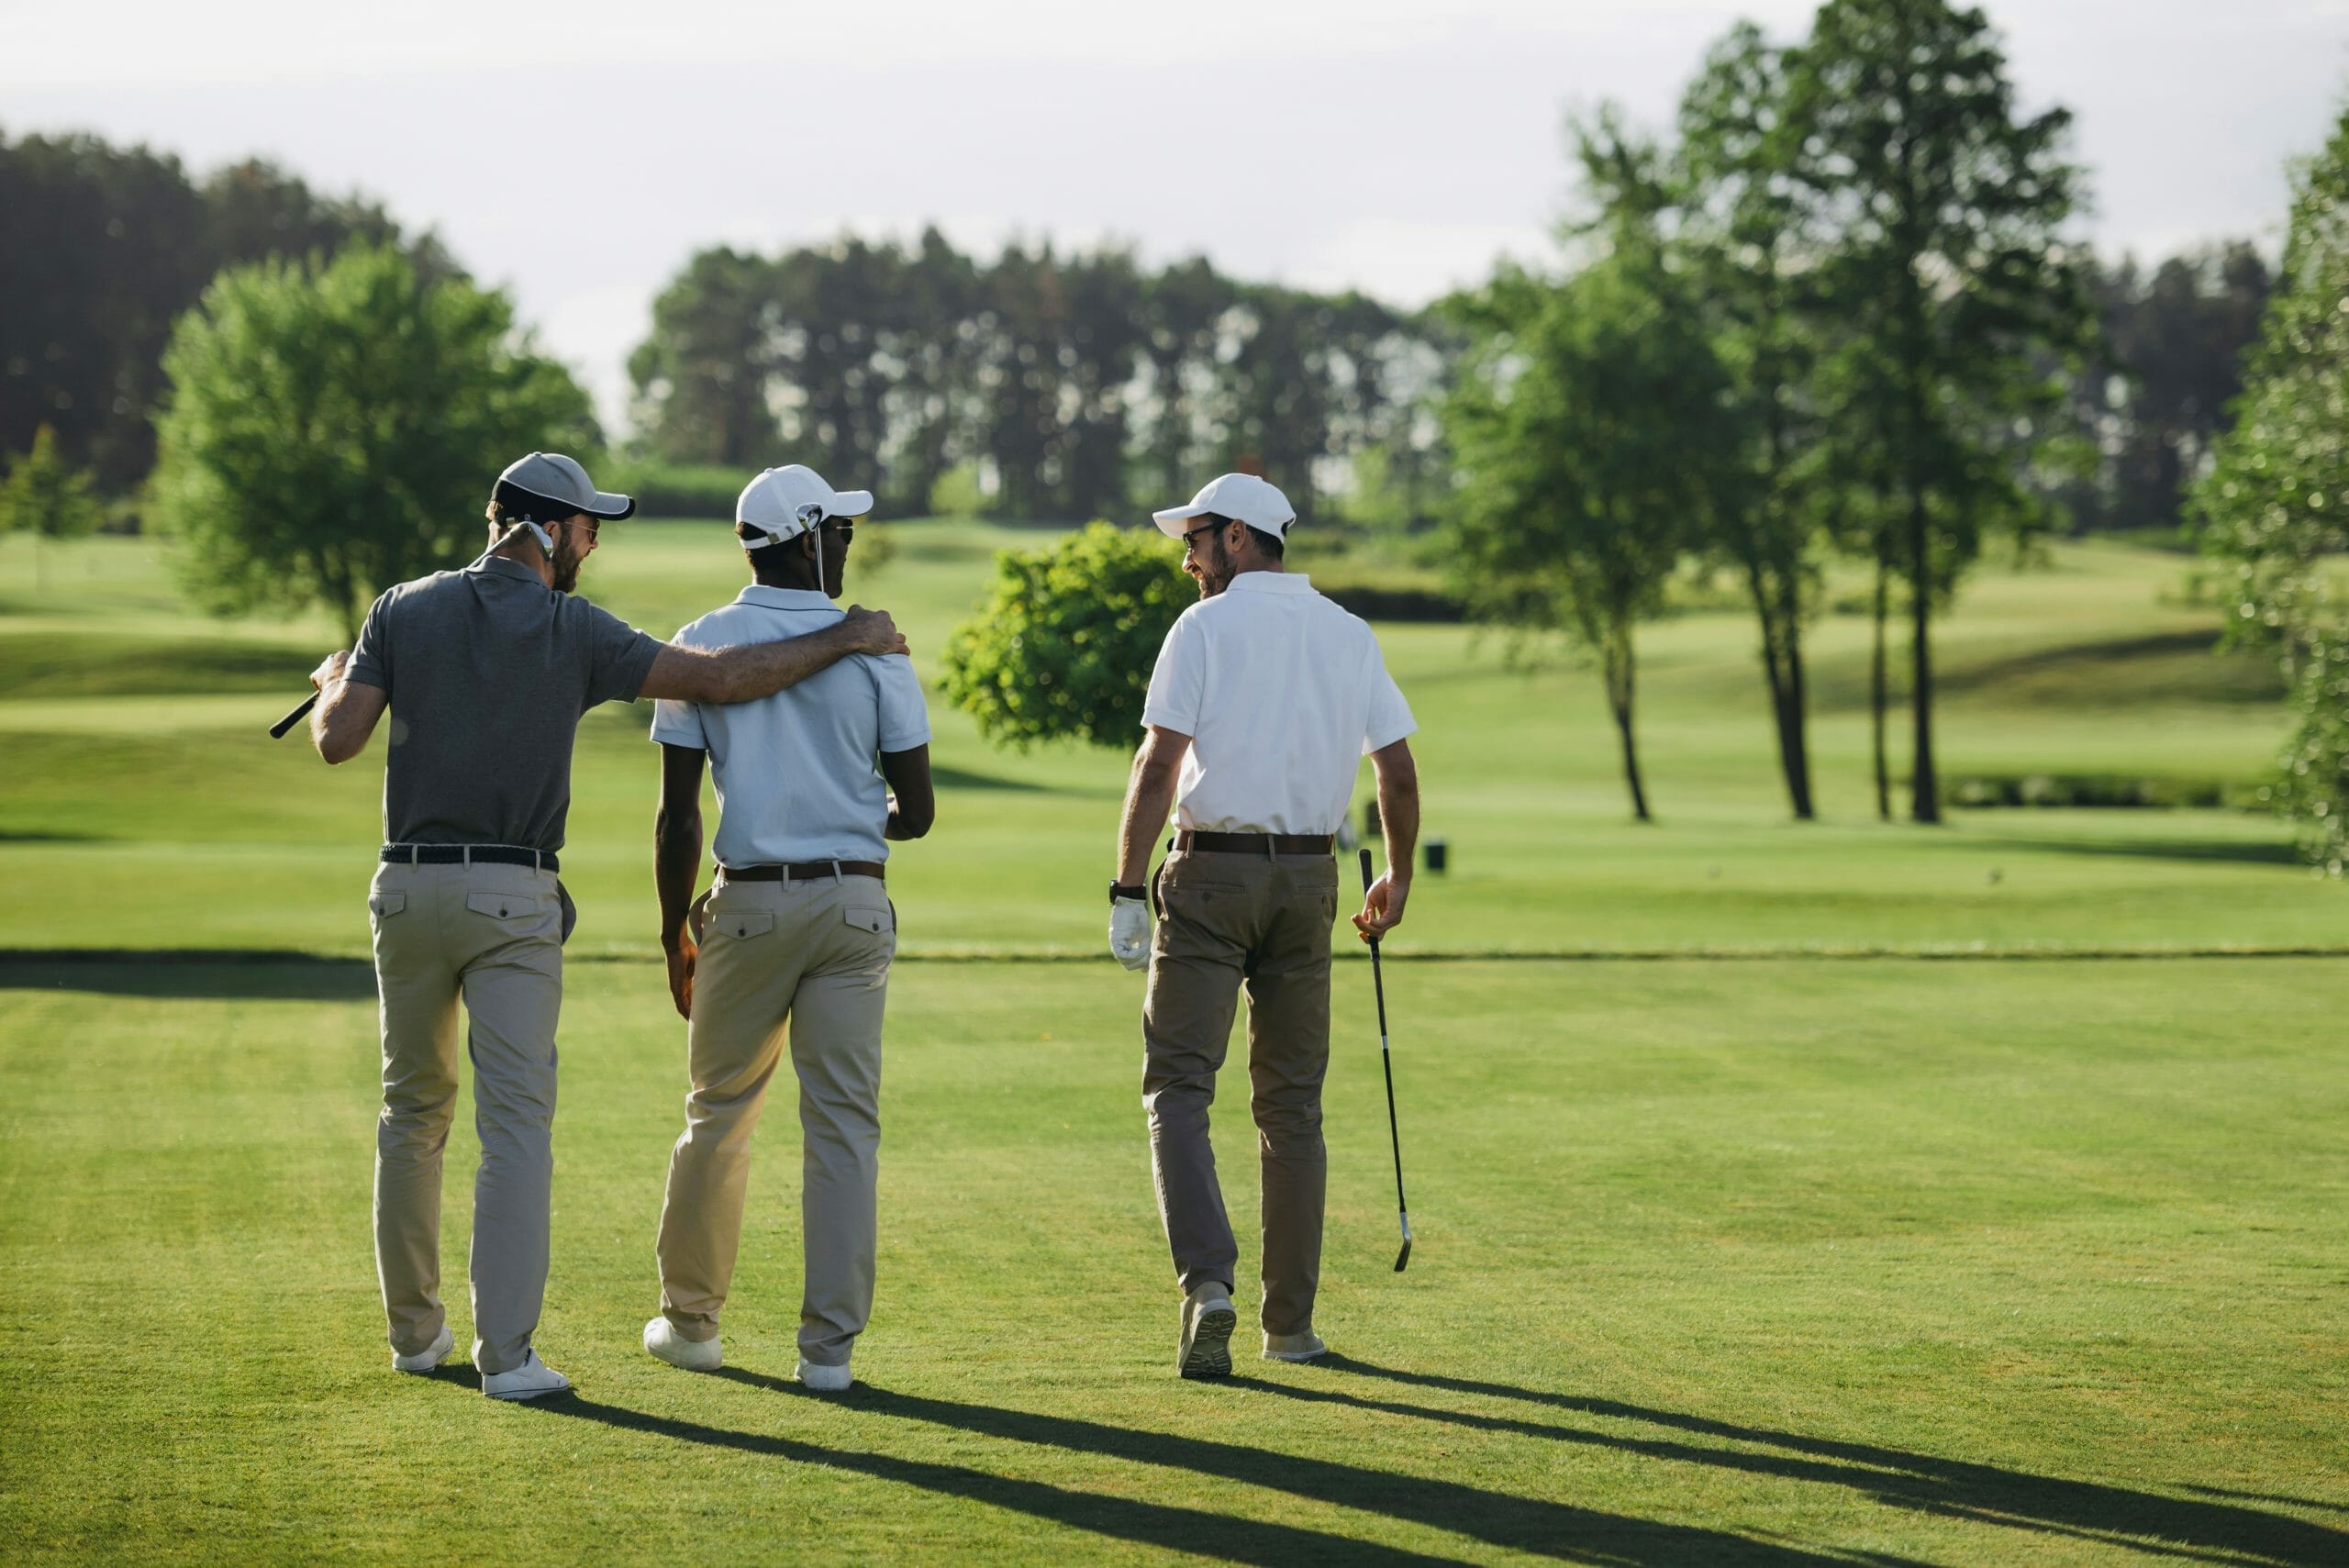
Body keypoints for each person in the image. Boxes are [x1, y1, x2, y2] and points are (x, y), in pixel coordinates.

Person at [304, 450, 908, 1400]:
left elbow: (338, 737)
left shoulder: (399, 606)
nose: (593, 542)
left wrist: (337, 675)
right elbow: (720, 679)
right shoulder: (572, 626)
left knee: (411, 1112)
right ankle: (507, 1358)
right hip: (512, 899)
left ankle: (415, 1337)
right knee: (514, 1131)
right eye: (590, 527)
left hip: (405, 889)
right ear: (549, 530)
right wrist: (846, 637)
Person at [1108, 472, 1421, 1379]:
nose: (1186, 558)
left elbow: (1157, 761)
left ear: (1239, 537)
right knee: (1291, 1106)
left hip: (1209, 878)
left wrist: (1127, 889)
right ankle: (1290, 1328)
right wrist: (1397, 874)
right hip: (1310, 884)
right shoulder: (1347, 631)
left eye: (1195, 538)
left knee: (1177, 1085)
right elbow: (1394, 772)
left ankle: (1208, 1284)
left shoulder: (1203, 627)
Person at [640, 463, 932, 1392]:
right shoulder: (877, 647)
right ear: (807, 538)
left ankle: (691, 1324)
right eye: (837, 530)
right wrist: (849, 820)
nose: (847, 542)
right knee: (843, 1126)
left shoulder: (699, 643)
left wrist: (667, 930)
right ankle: (829, 1353)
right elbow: (916, 810)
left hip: (747, 904)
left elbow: (678, 813)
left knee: (718, 1113)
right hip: (852, 902)